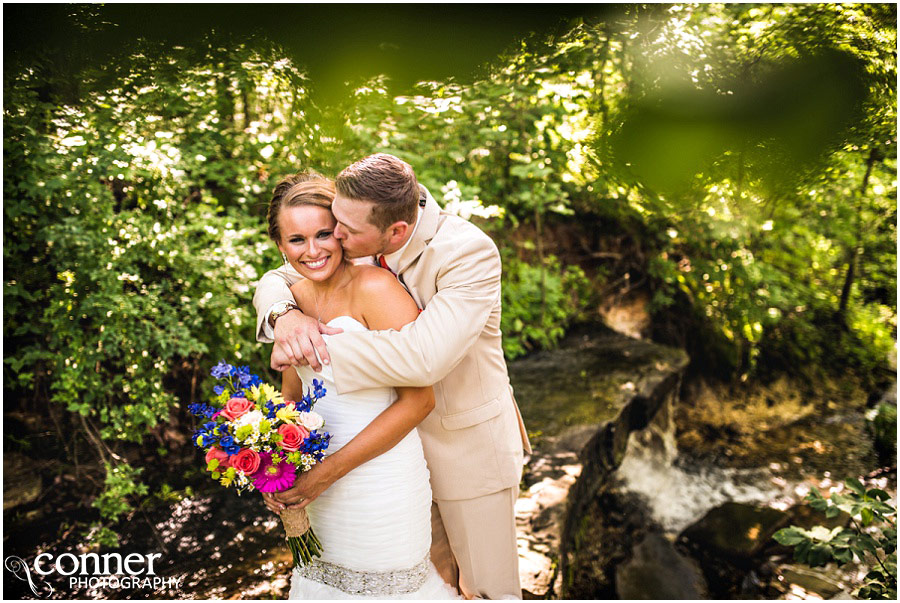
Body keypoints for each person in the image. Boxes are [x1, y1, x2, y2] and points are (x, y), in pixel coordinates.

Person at [255, 154, 531, 599]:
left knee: (484, 591)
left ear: (395, 233)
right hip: (393, 460)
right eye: (332, 225)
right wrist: (283, 314)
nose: (334, 237)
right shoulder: (358, 227)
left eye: (339, 231)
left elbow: (425, 360)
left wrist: (313, 350)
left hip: (466, 451)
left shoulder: (467, 252)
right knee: (427, 584)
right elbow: (280, 274)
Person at [263, 171, 459, 599]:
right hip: (317, 486)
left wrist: (326, 474)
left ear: (342, 232)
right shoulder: (291, 302)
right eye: (297, 240)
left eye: (324, 234)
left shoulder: (377, 289)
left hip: (380, 482)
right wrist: (276, 468)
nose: (312, 251)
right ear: (280, 245)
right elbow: (292, 396)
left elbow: (419, 401)